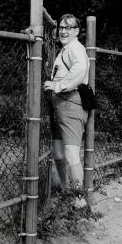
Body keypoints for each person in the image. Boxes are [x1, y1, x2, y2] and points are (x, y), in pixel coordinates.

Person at [44, 14, 89, 188]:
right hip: (60, 106)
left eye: (68, 28)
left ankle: (79, 200)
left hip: (71, 104)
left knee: (71, 154)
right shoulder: (65, 49)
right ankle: (65, 189)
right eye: (61, 27)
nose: (63, 31)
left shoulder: (74, 47)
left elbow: (80, 68)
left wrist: (58, 86)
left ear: (76, 31)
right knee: (57, 153)